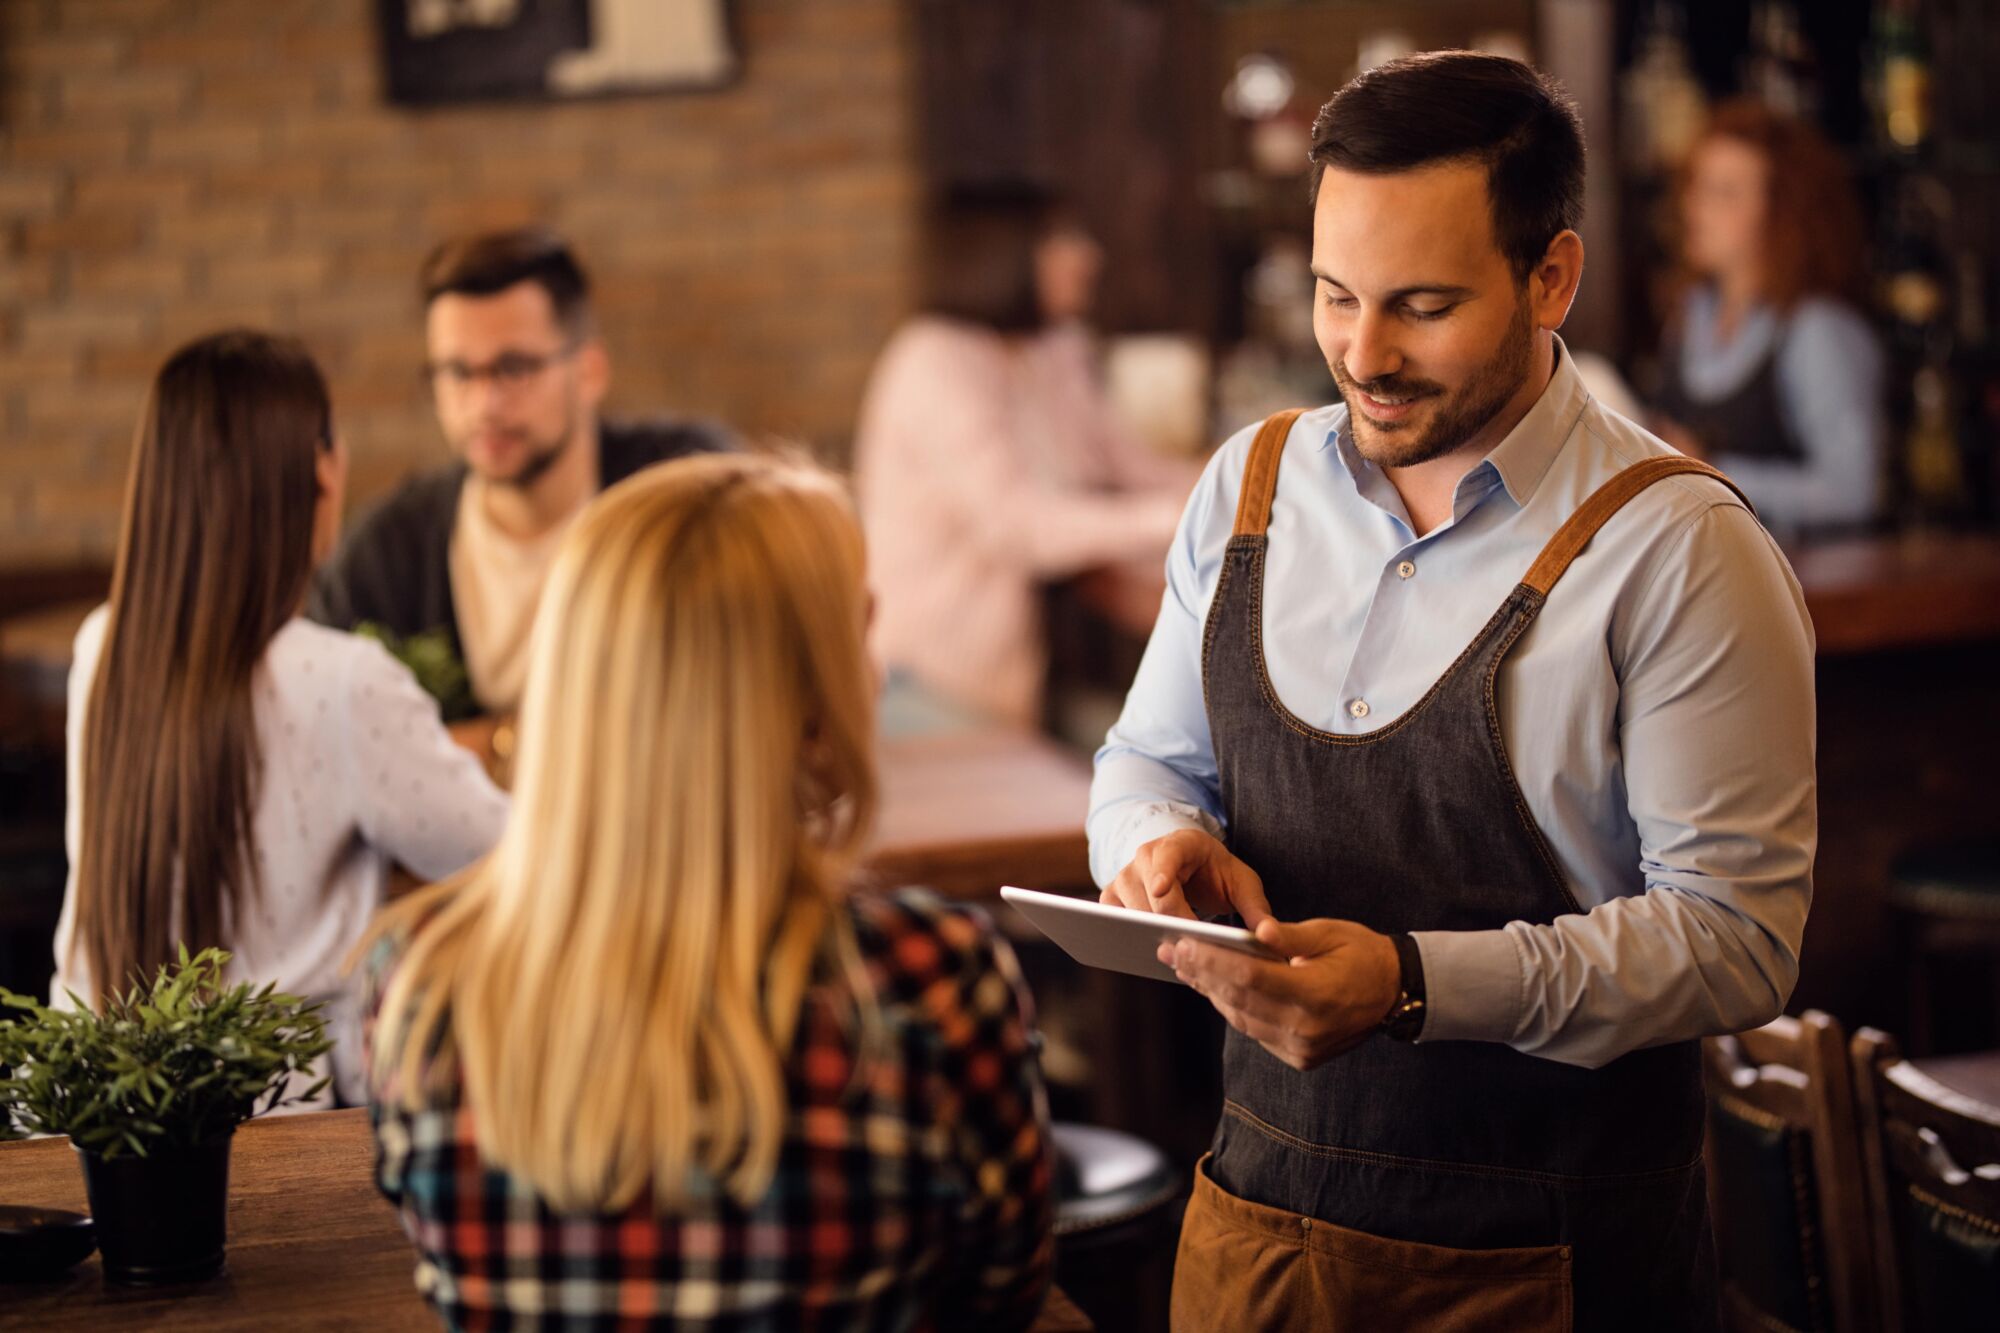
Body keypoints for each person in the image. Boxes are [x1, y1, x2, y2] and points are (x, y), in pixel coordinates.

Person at [1091, 53, 1814, 1331]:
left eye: (1420, 306)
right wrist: (1153, 845)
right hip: (1247, 1238)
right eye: (1332, 296)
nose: (1361, 355)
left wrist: (1413, 985)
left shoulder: (1678, 550)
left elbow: (1734, 938)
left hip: (1548, 1273)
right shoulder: (1249, 487)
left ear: (1552, 278)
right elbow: (1145, 761)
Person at [360, 454, 1054, 1329]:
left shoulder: (419, 982)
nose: (876, 674)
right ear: (808, 704)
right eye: (861, 632)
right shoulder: (931, 980)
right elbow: (1002, 1293)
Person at [53, 330, 508, 1107]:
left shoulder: (100, 646)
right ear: (320, 472)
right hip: (283, 1134)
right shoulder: (345, 681)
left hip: (88, 1108)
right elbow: (517, 857)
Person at [309, 227, 731, 747]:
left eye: (514, 367)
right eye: (458, 372)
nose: (485, 403)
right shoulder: (388, 551)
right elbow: (322, 735)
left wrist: (486, 744)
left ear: (589, 372)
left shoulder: (688, 489)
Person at [855, 184, 1192, 729]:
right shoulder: (934, 359)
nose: (1089, 256)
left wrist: (1252, 476)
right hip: (938, 681)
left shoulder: (1055, 348)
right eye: (1065, 238)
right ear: (1002, 252)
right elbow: (1016, 524)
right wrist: (1184, 513)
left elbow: (1128, 465)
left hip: (1047, 657)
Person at [1653, 98, 1887, 534]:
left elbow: (1854, 491)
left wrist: (1710, 473)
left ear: (1781, 212)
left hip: (1801, 588)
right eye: (1696, 187)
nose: (1695, 209)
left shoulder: (1816, 329)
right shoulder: (1690, 315)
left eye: (1724, 193)